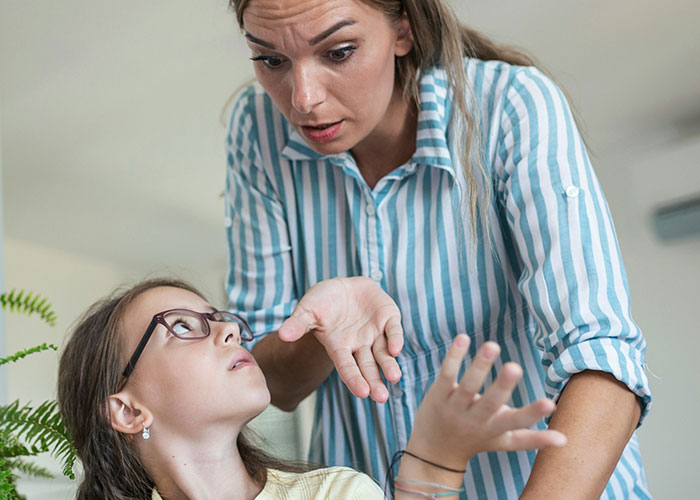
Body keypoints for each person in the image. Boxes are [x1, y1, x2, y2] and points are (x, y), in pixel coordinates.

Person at [223, 0, 653, 498]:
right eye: (271, 60)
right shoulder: (256, 131)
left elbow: (602, 357)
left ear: (403, 29)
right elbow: (269, 383)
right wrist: (318, 330)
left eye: (339, 52)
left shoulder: (509, 104)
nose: (303, 98)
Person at [57, 277, 565, 499]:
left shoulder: (336, 493)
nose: (230, 329)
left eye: (220, 318)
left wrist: (435, 461)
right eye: (184, 326)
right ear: (127, 412)